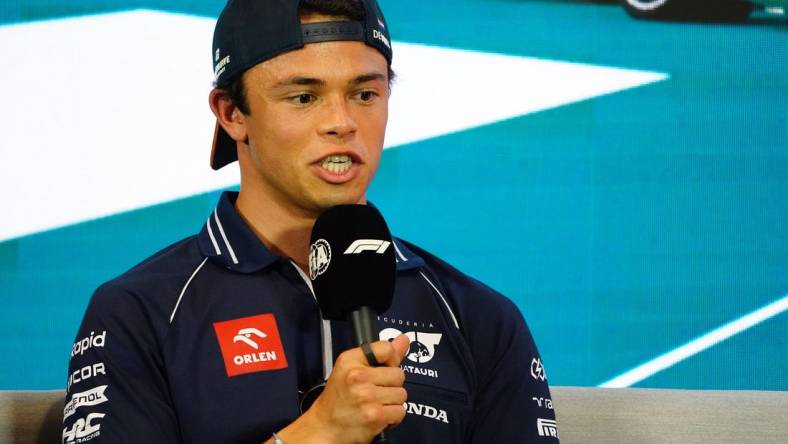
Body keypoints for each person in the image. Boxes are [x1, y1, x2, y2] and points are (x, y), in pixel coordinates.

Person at [63, 1, 559, 443]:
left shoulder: (479, 318)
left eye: (365, 94)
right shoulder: (139, 312)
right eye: (304, 97)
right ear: (232, 113)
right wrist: (318, 435)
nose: (342, 122)